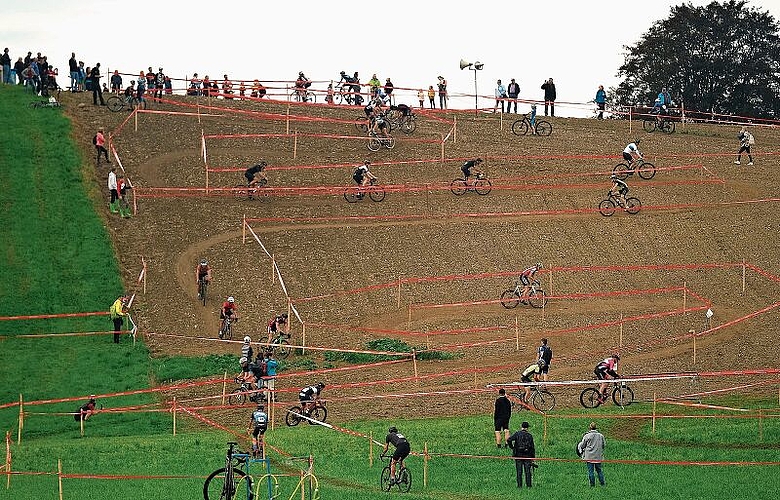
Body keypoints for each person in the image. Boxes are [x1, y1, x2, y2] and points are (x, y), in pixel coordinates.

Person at [507, 421, 535, 488]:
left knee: (519, 472)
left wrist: (512, 448)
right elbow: (532, 448)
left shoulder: (517, 434)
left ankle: (519, 486)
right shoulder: (530, 436)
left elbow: (509, 440)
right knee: (528, 472)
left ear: (521, 426)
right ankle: (529, 486)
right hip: (527, 456)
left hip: (518, 455)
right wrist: (533, 458)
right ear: (527, 427)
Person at [577, 422, 606, 487]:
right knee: (599, 471)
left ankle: (592, 485)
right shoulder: (601, 436)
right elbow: (604, 445)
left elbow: (582, 445)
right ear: (596, 428)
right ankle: (602, 484)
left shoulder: (587, 436)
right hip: (598, 456)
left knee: (591, 471)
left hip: (589, 457)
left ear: (590, 428)